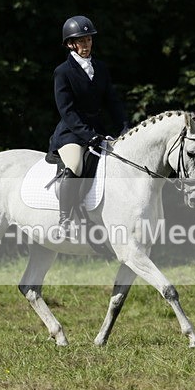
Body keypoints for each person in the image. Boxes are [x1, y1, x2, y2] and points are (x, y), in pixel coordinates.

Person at [49, 15, 129, 238]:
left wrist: (124, 127)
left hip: (97, 130)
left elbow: (112, 101)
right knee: (74, 165)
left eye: (88, 40)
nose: (86, 45)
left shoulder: (100, 68)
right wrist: (88, 135)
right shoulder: (63, 72)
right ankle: (65, 219)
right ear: (70, 44)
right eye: (81, 41)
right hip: (72, 133)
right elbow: (67, 111)